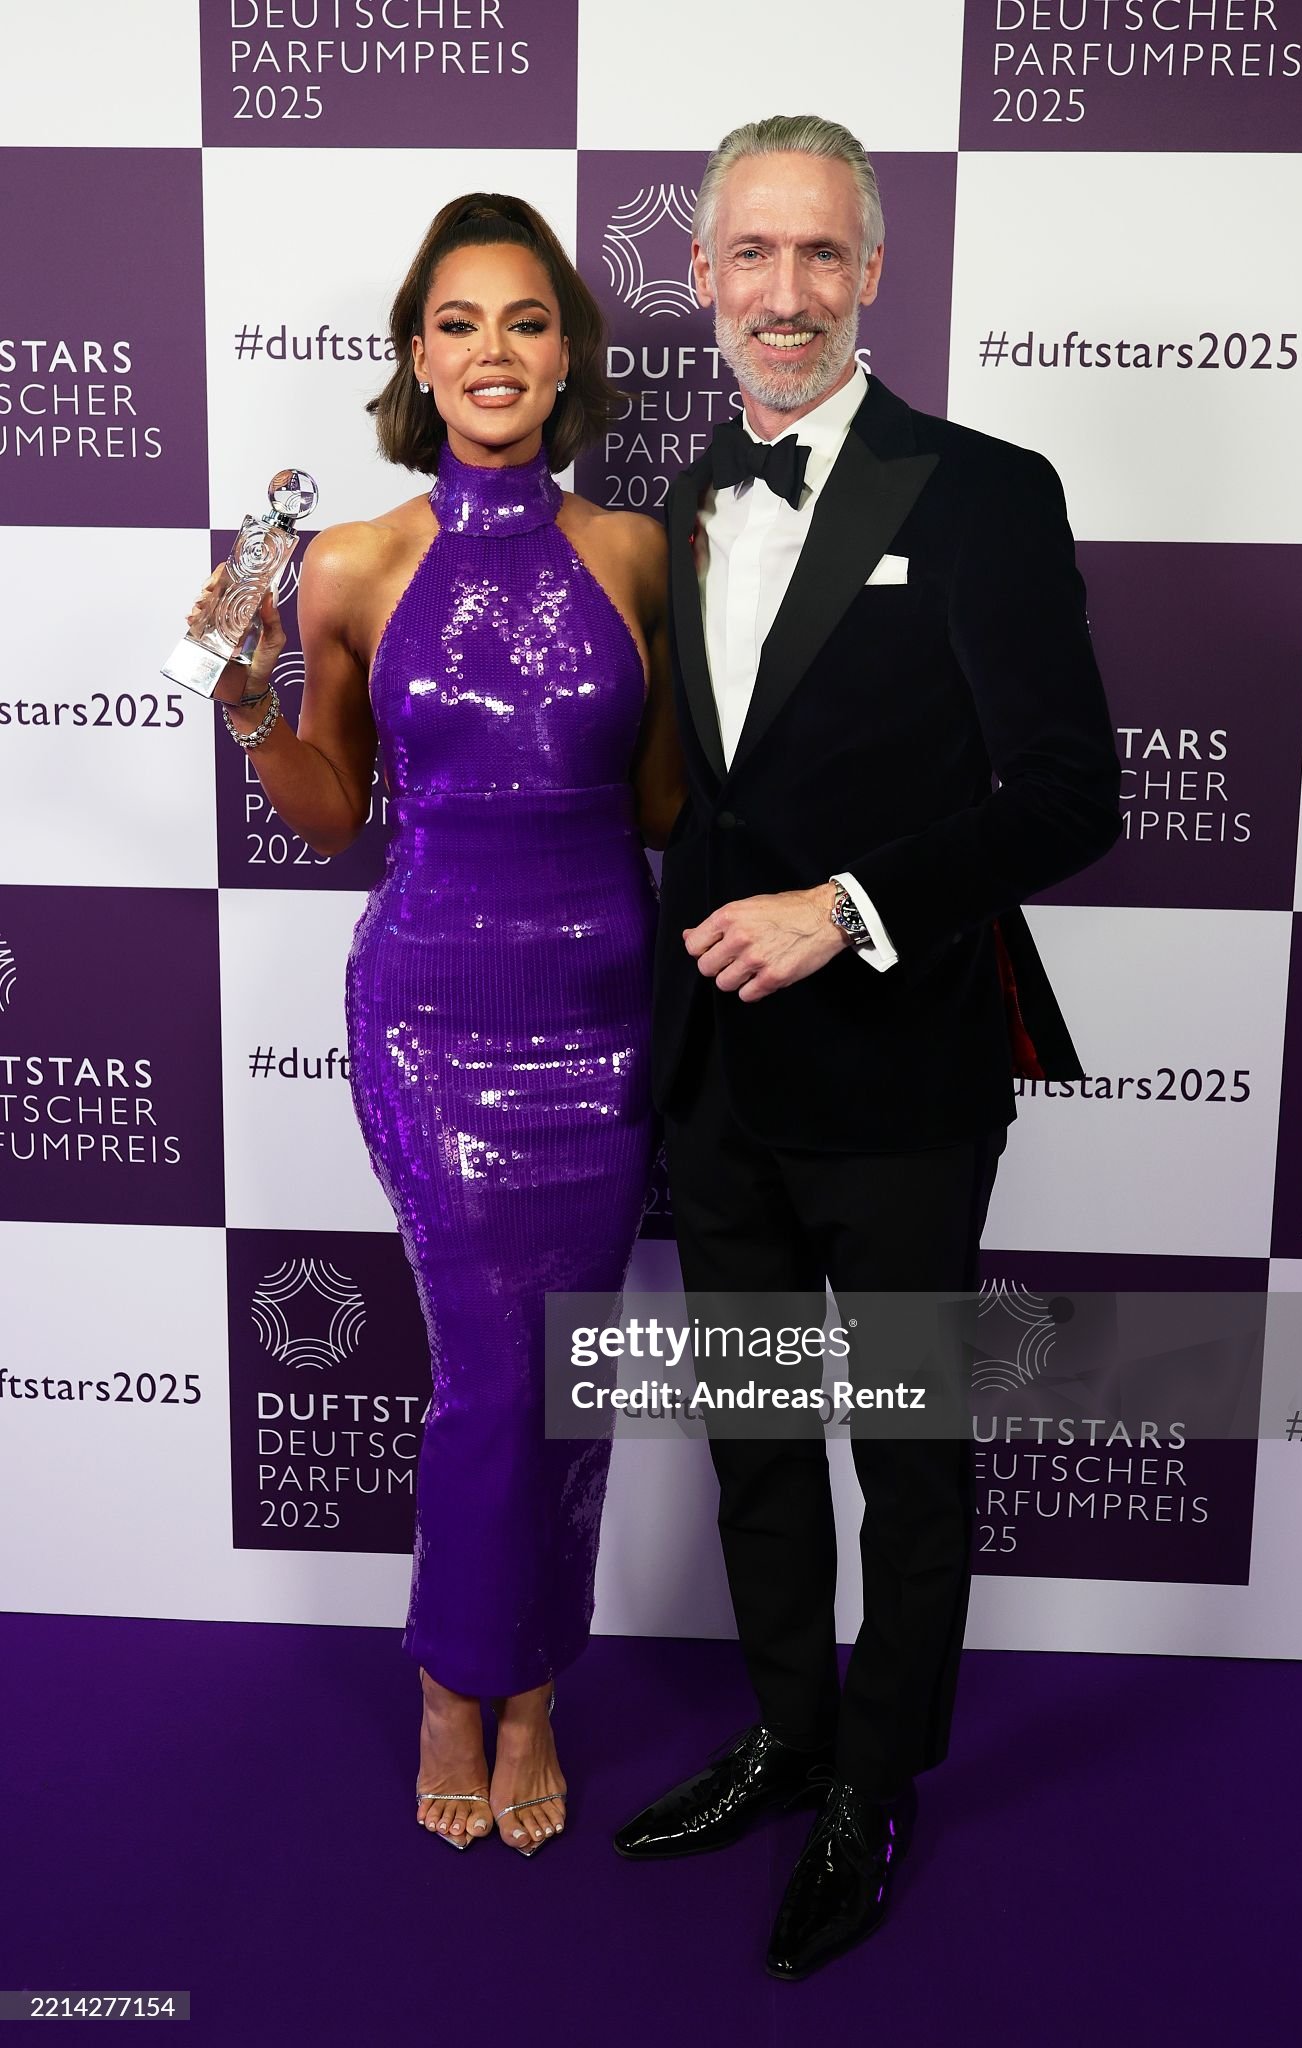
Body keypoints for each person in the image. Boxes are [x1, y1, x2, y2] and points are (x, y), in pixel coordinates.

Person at [612, 115, 1122, 1977]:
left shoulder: (981, 490)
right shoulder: (673, 503)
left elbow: (1070, 795)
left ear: (873, 275)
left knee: (904, 1454)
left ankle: (874, 1783)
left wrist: (844, 906)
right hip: (718, 1082)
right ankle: (786, 1735)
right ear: (700, 278)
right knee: (755, 1437)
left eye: (820, 253)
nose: (785, 291)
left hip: (902, 1077)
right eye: (750, 254)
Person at [191, 194, 683, 1857]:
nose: (493, 351)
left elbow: (665, 803)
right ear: (417, 355)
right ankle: (454, 1682)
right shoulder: (347, 562)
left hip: (605, 1014)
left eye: (525, 321)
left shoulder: (635, 555)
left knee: (562, 1376)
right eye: (459, 323)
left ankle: (529, 1691)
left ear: (566, 355)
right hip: (429, 1015)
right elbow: (332, 811)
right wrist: (248, 701)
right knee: (489, 1372)